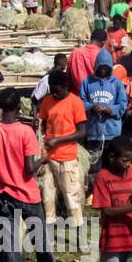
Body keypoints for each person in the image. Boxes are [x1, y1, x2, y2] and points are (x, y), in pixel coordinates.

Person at [0, 91, 56, 262]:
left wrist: (4, 163)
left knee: (11, 242)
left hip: (5, 194)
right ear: (18, 108)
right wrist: (43, 159)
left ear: (1, 106)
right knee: (38, 236)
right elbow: (30, 169)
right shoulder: (25, 132)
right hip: (28, 195)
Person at [37, 69, 88, 227]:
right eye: (52, 90)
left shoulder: (75, 102)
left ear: (66, 87)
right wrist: (44, 137)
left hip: (68, 158)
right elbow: (43, 122)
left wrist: (58, 140)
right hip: (49, 158)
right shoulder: (47, 101)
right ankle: (50, 231)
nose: (54, 94)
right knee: (47, 196)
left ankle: (79, 234)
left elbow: (82, 132)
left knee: (71, 196)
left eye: (57, 90)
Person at [79, 49, 128, 176]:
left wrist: (111, 110)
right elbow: (81, 102)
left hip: (112, 132)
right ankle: (93, 191)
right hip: (93, 132)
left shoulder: (116, 83)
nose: (103, 70)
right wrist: (91, 107)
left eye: (106, 68)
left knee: (111, 165)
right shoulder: (87, 82)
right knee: (94, 166)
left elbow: (123, 104)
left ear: (110, 67)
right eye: (100, 67)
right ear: (96, 67)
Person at [67, 28, 107, 95]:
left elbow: (68, 77)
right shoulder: (102, 55)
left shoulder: (75, 53)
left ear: (91, 38)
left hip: (77, 96)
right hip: (96, 97)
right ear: (103, 43)